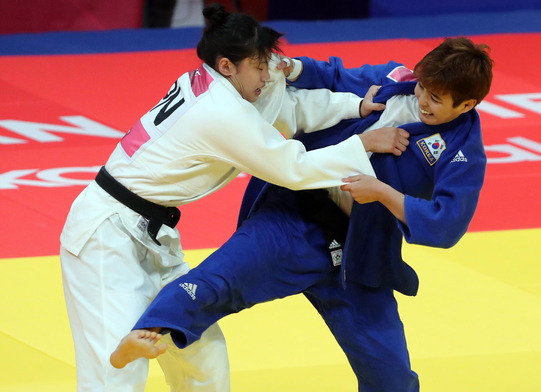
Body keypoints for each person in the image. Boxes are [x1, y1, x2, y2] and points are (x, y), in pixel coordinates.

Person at [109, 37, 494, 391]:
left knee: (390, 373)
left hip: (359, 254)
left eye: (437, 99)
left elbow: (446, 224)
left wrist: (382, 193)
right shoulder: (398, 81)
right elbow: (336, 75)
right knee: (220, 277)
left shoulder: (462, 153)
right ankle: (147, 332)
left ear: (466, 105)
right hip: (295, 218)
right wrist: (293, 67)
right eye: (423, 87)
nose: (423, 99)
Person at [59, 3, 396, 392]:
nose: (269, 72)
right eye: (259, 65)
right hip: (106, 233)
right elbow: (291, 168)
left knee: (202, 355)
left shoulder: (228, 83)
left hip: (152, 230)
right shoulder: (217, 110)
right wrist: (361, 144)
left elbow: (287, 106)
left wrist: (354, 105)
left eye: (269, 60)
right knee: (115, 370)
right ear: (227, 66)